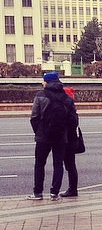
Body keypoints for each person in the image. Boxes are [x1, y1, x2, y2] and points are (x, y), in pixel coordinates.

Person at [27, 71, 78, 201]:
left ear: (47, 82)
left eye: (43, 81)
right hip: (61, 137)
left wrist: (39, 131)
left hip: (43, 136)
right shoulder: (67, 97)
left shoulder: (40, 95)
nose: (42, 83)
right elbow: (73, 120)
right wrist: (65, 132)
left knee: (39, 164)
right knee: (58, 164)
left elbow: (34, 117)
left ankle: (38, 193)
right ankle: (54, 193)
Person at [60, 86, 80, 197]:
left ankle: (73, 189)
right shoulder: (72, 110)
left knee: (70, 166)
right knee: (70, 165)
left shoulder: (68, 110)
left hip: (68, 141)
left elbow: (70, 126)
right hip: (71, 140)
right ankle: (72, 189)